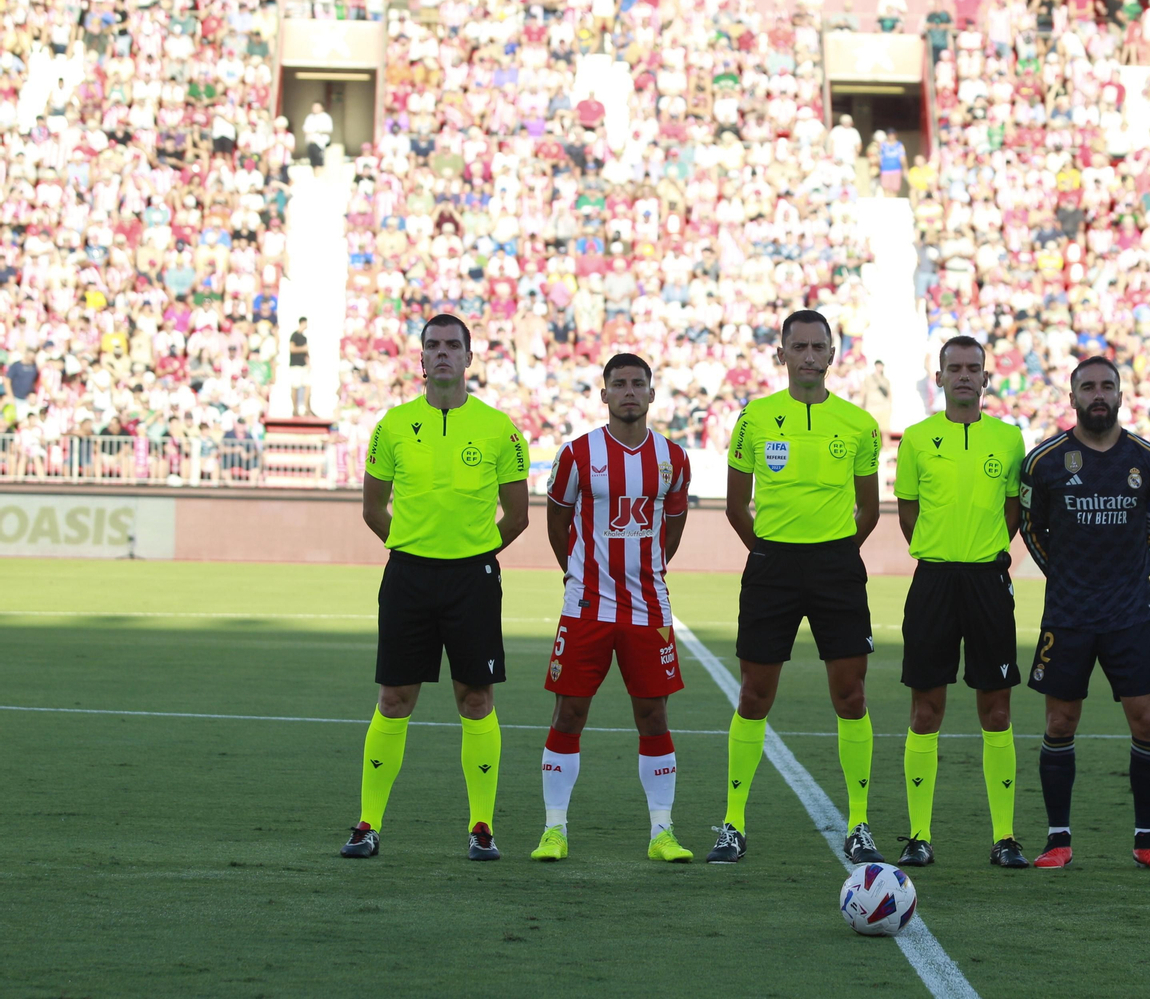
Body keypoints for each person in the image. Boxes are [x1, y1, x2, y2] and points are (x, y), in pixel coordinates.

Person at [341, 314, 531, 862]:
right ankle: (367, 824)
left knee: (476, 699)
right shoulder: (394, 425)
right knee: (393, 699)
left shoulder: (499, 428)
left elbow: (518, 516)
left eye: (452, 345)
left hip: (473, 580)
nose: (442, 353)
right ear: (421, 358)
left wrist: (473, 553)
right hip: (408, 578)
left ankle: (482, 827)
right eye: (433, 345)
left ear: (469, 357)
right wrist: (413, 548)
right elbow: (372, 509)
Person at [709, 310, 884, 864]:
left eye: (818, 346)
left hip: (836, 568)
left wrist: (837, 553)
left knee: (851, 696)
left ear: (832, 354)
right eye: (799, 346)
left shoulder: (859, 423)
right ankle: (733, 824)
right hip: (773, 568)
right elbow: (736, 506)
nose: (809, 355)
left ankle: (859, 822)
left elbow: (870, 509)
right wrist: (766, 553)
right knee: (753, 695)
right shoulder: (755, 418)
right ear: (781, 354)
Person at [1019, 356, 1150, 871]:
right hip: (1068, 613)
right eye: (1087, 386)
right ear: (1072, 398)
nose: (1097, 394)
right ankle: (1057, 839)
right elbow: (1030, 528)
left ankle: (1147, 839)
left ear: (1120, 395)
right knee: (1060, 720)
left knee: (1147, 720)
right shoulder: (1044, 461)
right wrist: (1064, 577)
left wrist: (1130, 578)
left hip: (1129, 613)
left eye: (1106, 386)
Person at [530, 353, 695, 864]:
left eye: (637, 384)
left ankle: (662, 832)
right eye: (618, 384)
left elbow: (673, 528)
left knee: (653, 714)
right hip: (586, 607)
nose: (628, 392)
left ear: (651, 394)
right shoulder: (577, 454)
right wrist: (578, 574)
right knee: (570, 712)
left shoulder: (673, 458)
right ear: (603, 395)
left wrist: (649, 570)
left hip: (649, 608)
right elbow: (557, 524)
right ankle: (554, 830)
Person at [892, 336, 1028, 869]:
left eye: (974, 368)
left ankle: (1005, 837)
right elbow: (907, 511)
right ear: (940, 378)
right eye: (956, 368)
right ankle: (919, 836)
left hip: (988, 582)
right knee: (926, 708)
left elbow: (1014, 509)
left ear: (986, 379)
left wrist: (983, 551)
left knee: (997, 709)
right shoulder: (917, 439)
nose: (965, 376)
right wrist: (940, 551)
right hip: (933, 582)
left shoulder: (1009, 439)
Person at [288, 317, 311, 416]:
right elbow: (292, 349)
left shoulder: (304, 337)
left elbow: (306, 353)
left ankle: (306, 408)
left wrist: (308, 363)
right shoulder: (294, 335)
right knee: (295, 386)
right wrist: (303, 348)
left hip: (303, 365)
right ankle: (295, 409)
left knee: (307, 385)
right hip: (295, 365)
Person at [302, 101, 333, 171]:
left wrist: (317, 131)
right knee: (313, 163)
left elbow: (329, 130)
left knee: (319, 163)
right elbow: (305, 129)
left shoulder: (325, 117)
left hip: (320, 143)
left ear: (322, 108)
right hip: (310, 142)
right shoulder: (309, 117)